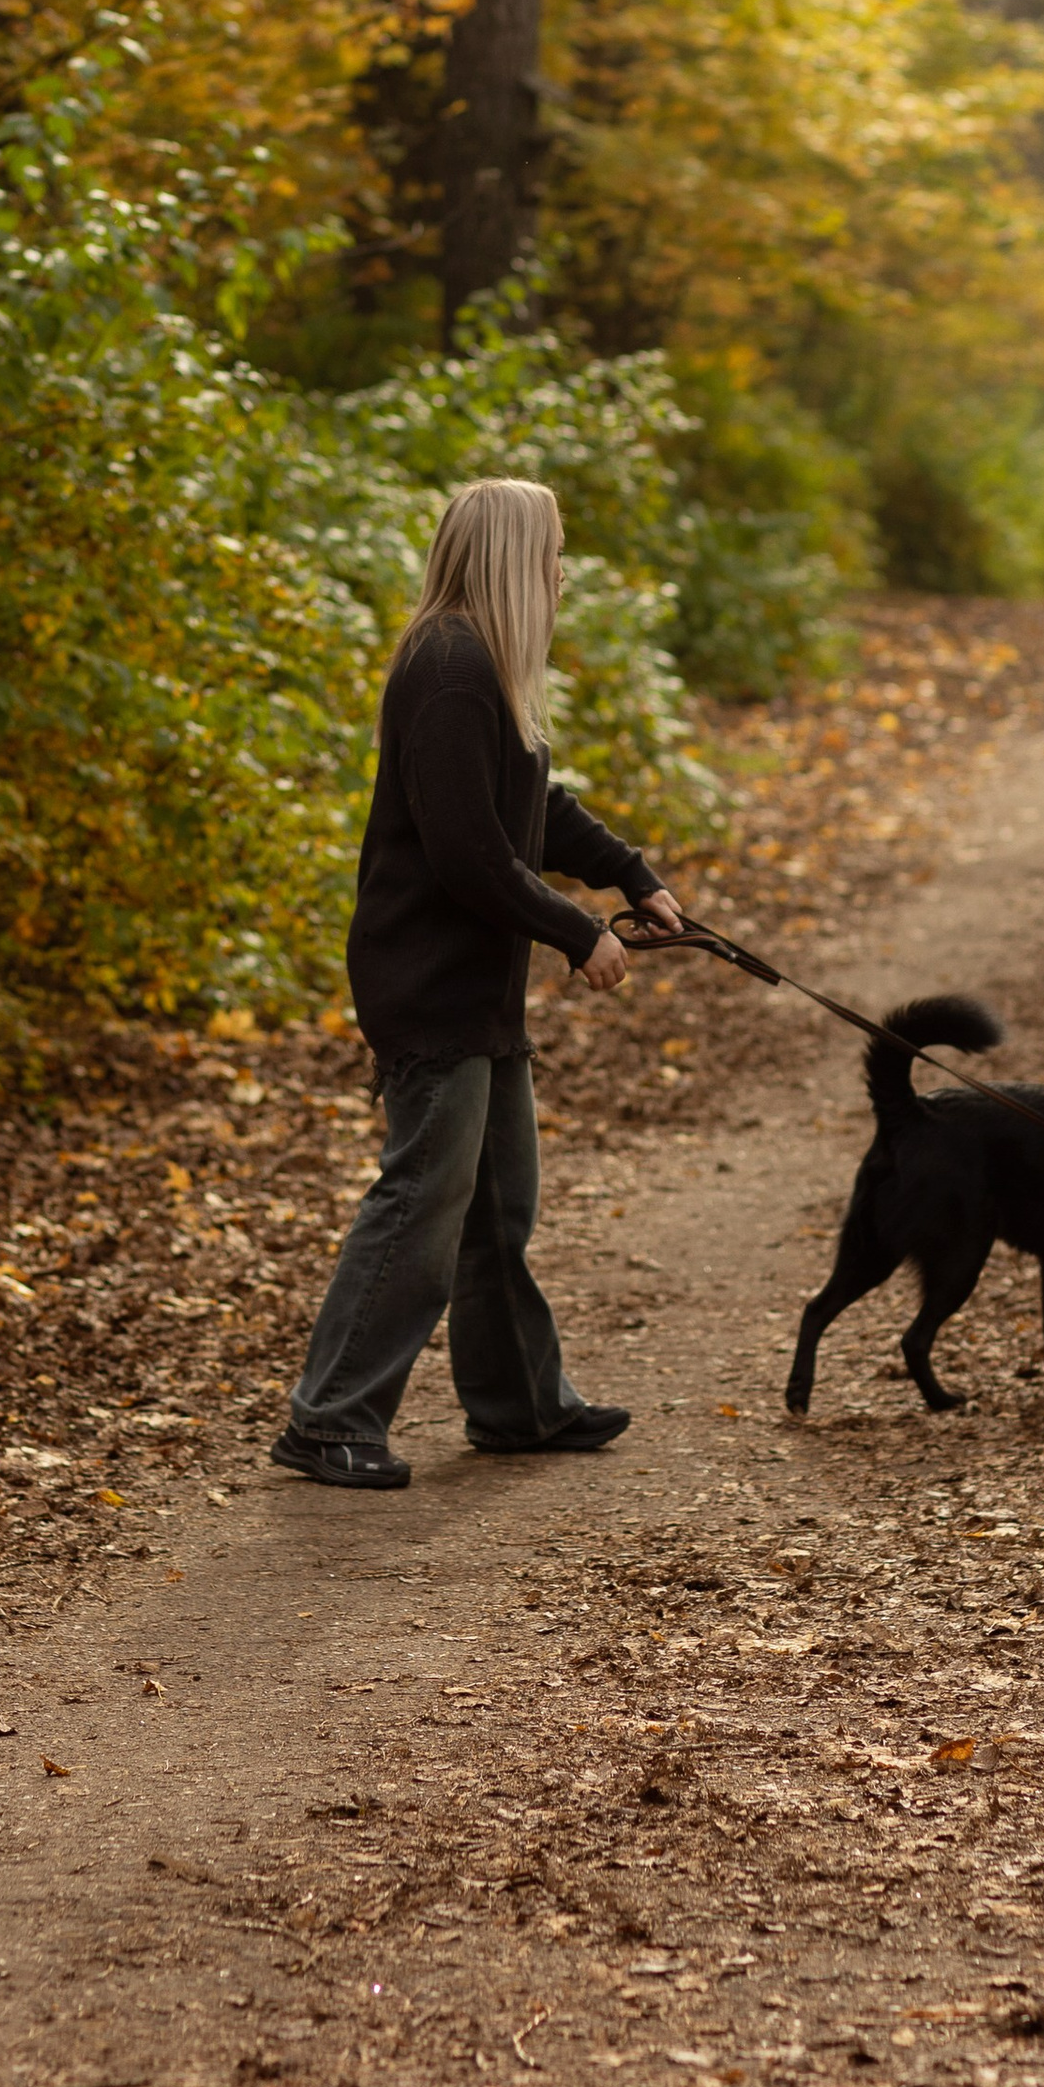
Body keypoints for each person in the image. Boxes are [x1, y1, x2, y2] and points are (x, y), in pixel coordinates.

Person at [273, 475, 686, 1489]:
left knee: (499, 1205)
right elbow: (467, 852)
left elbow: (532, 805)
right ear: (510, 555)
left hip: (476, 990)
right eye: (551, 550)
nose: (560, 571)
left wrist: (630, 873)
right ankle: (329, 1418)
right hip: (430, 983)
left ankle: (518, 1405)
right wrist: (577, 932)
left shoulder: (480, 664)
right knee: (422, 1201)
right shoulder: (451, 669)